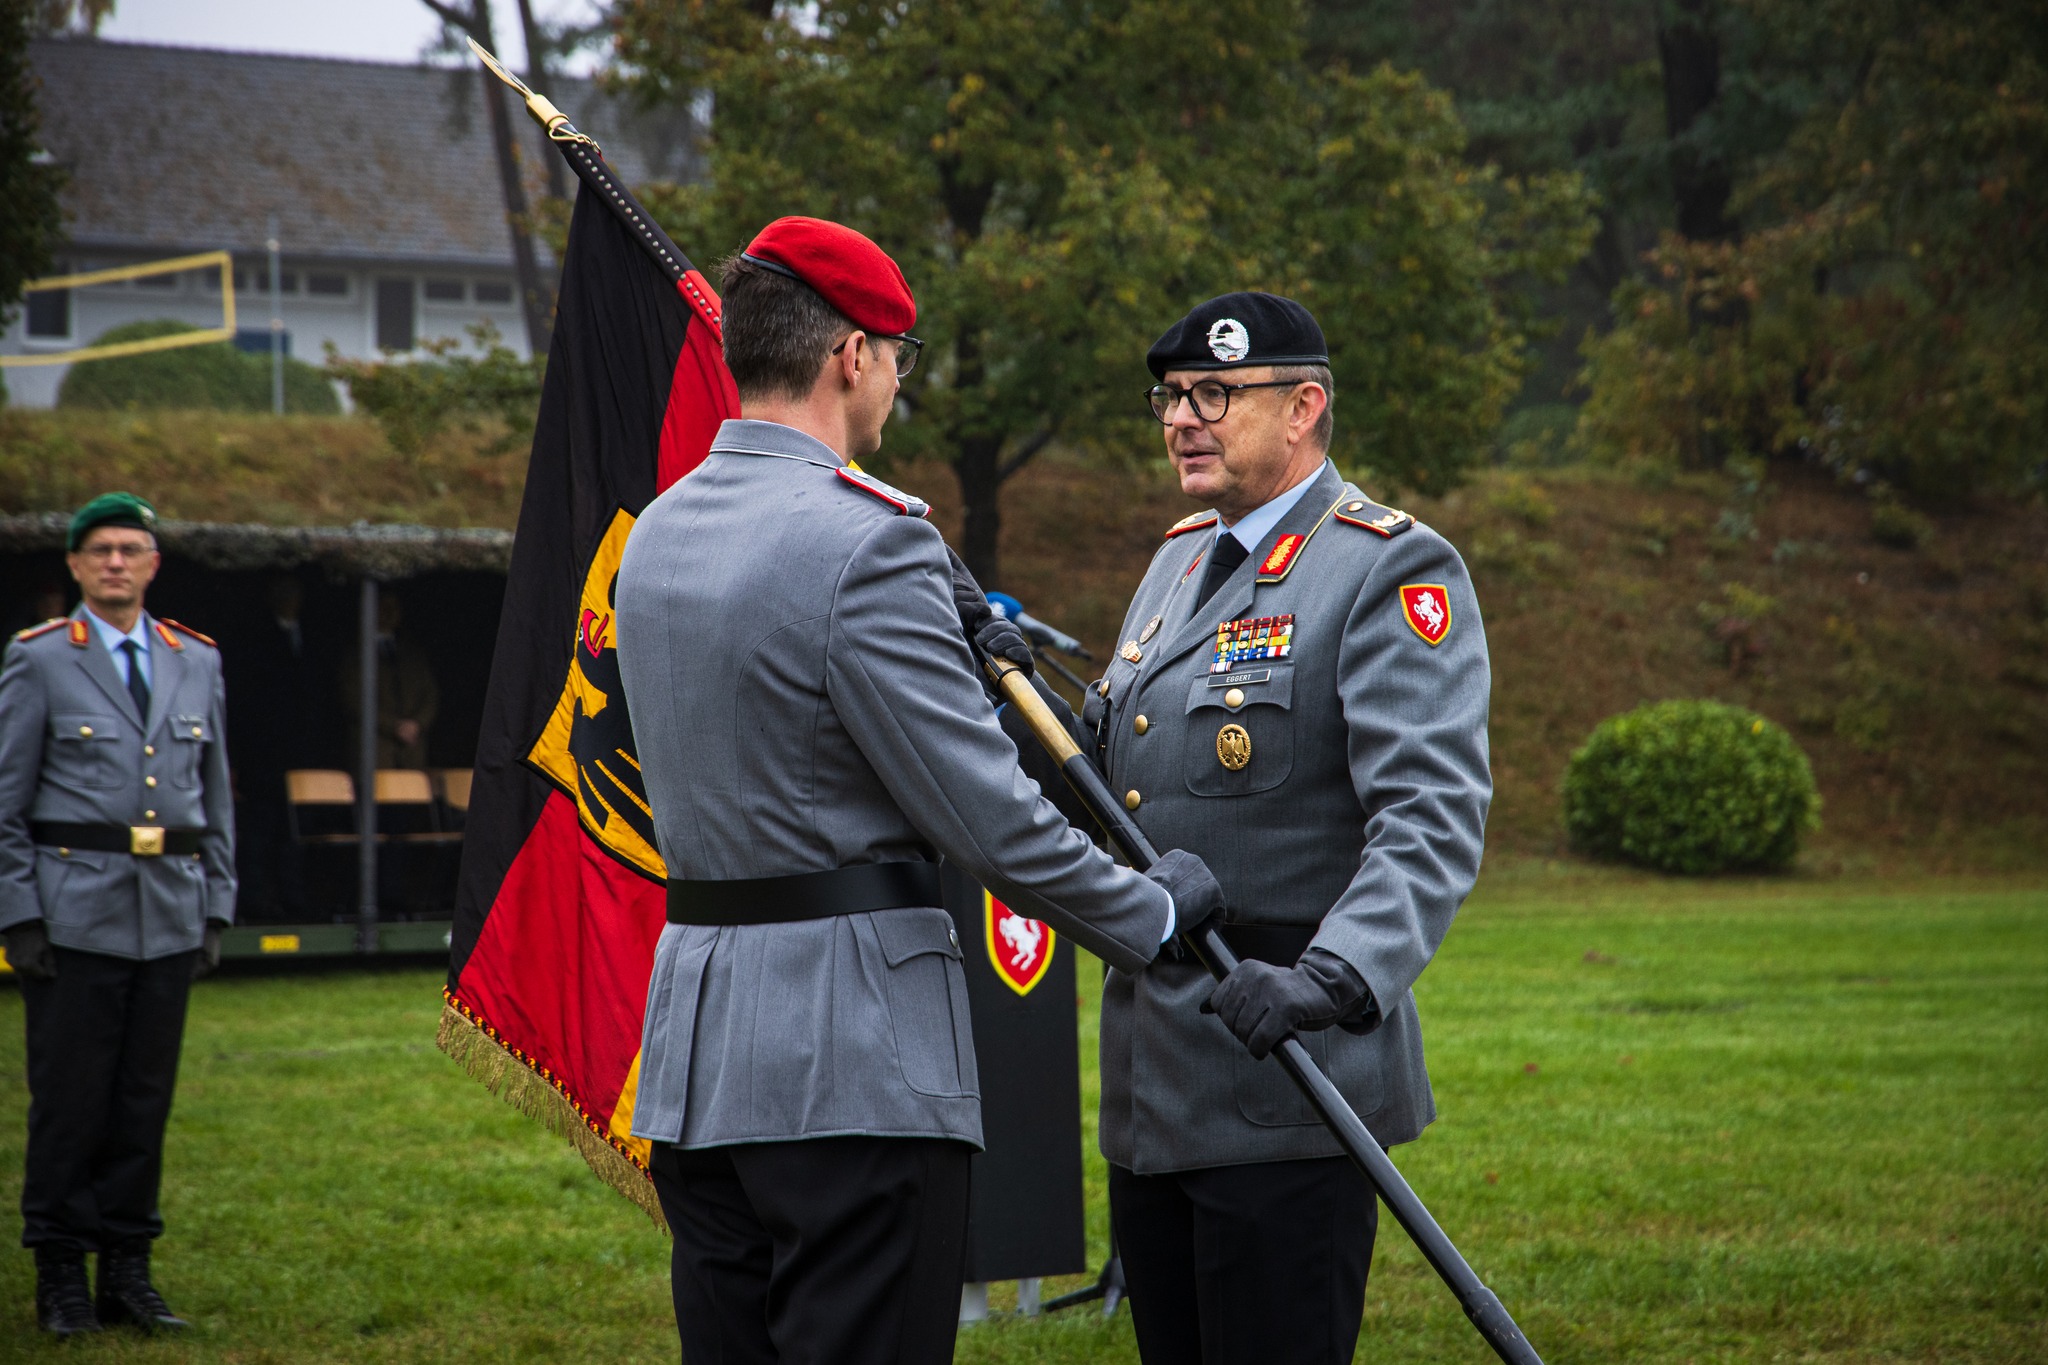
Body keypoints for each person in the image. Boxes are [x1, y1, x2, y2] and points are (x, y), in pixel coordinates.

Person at [612, 217, 1224, 1365]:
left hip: (698, 1056)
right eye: (898, 355)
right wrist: (1154, 915)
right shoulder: (871, 545)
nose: (896, 381)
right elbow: (988, 817)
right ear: (851, 356)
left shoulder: (656, 533)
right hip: (850, 1064)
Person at [1067, 293, 1491, 1364]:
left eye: (1214, 394)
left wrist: (1335, 978)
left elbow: (1429, 817)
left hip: (1288, 1078)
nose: (1180, 420)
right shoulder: (1175, 561)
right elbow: (1117, 782)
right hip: (1155, 1086)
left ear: (1303, 406)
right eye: (1169, 397)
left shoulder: (1383, 567)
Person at [0, 492, 236, 1338]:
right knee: (70, 1102)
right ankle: (60, 1272)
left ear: (153, 564)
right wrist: (18, 912)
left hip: (168, 912)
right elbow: (5, 800)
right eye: (98, 549)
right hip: (73, 916)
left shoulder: (194, 658)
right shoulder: (39, 659)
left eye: (131, 548)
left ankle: (127, 1271)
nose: (114, 562)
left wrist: (217, 904)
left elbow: (215, 794)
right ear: (72, 564)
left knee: (143, 1101)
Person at [339, 594, 438, 769]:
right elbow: (354, 699)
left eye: (394, 607)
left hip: (412, 750)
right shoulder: (356, 652)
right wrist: (394, 726)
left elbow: (430, 694)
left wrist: (417, 723)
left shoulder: (412, 652)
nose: (389, 613)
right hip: (376, 748)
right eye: (384, 607)